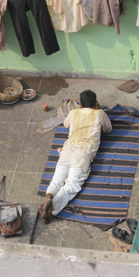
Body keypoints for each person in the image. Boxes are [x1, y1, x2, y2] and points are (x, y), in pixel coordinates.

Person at [37, 90, 112, 224]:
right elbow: (108, 129)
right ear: (96, 103)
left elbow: (66, 124)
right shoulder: (99, 113)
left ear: (80, 103)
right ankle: (52, 208)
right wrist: (99, 110)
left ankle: (48, 197)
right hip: (82, 155)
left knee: (57, 180)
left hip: (66, 151)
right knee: (71, 185)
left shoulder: (73, 113)